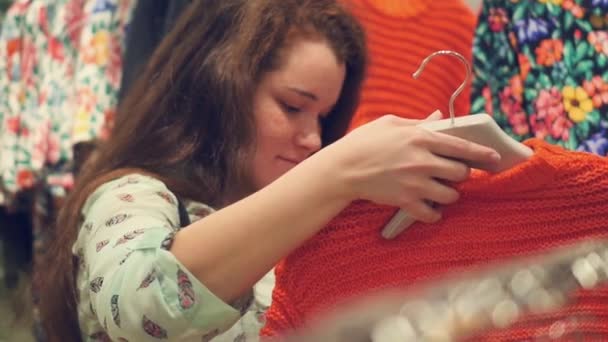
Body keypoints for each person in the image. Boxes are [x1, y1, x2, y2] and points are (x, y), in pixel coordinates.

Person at [38, 0, 501, 341]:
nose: (314, 139)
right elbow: (143, 307)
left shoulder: (306, 235)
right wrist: (340, 169)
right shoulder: (130, 194)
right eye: (293, 106)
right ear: (219, 84)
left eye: (323, 118)